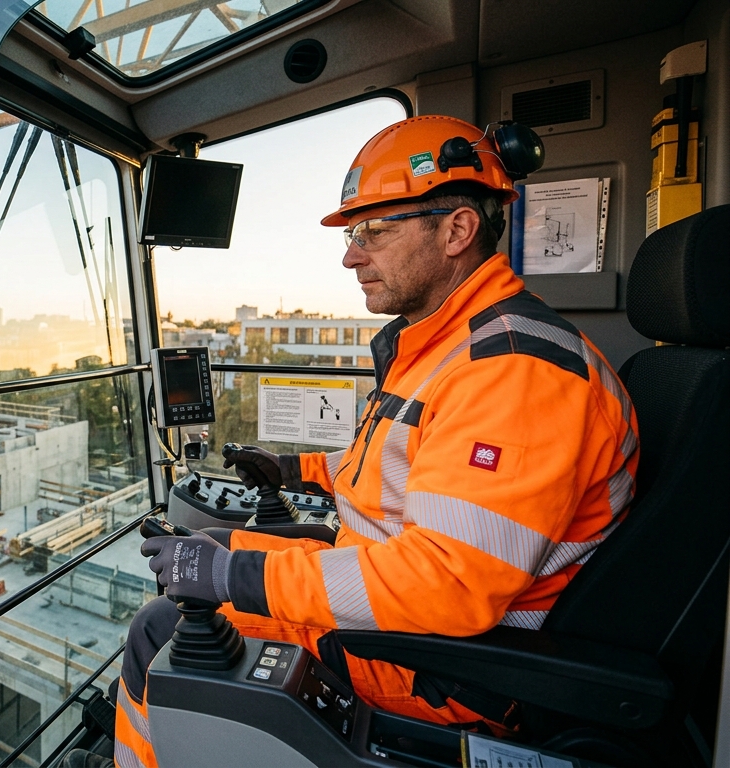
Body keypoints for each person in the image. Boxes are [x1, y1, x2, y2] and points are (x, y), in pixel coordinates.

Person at [99, 116, 640, 768]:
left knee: (160, 627)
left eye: (374, 232)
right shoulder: (447, 344)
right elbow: (397, 465)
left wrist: (228, 576)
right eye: (353, 235)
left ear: (457, 231)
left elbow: (447, 584)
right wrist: (292, 468)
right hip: (394, 597)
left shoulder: (514, 370)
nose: (351, 256)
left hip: (435, 664)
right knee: (214, 543)